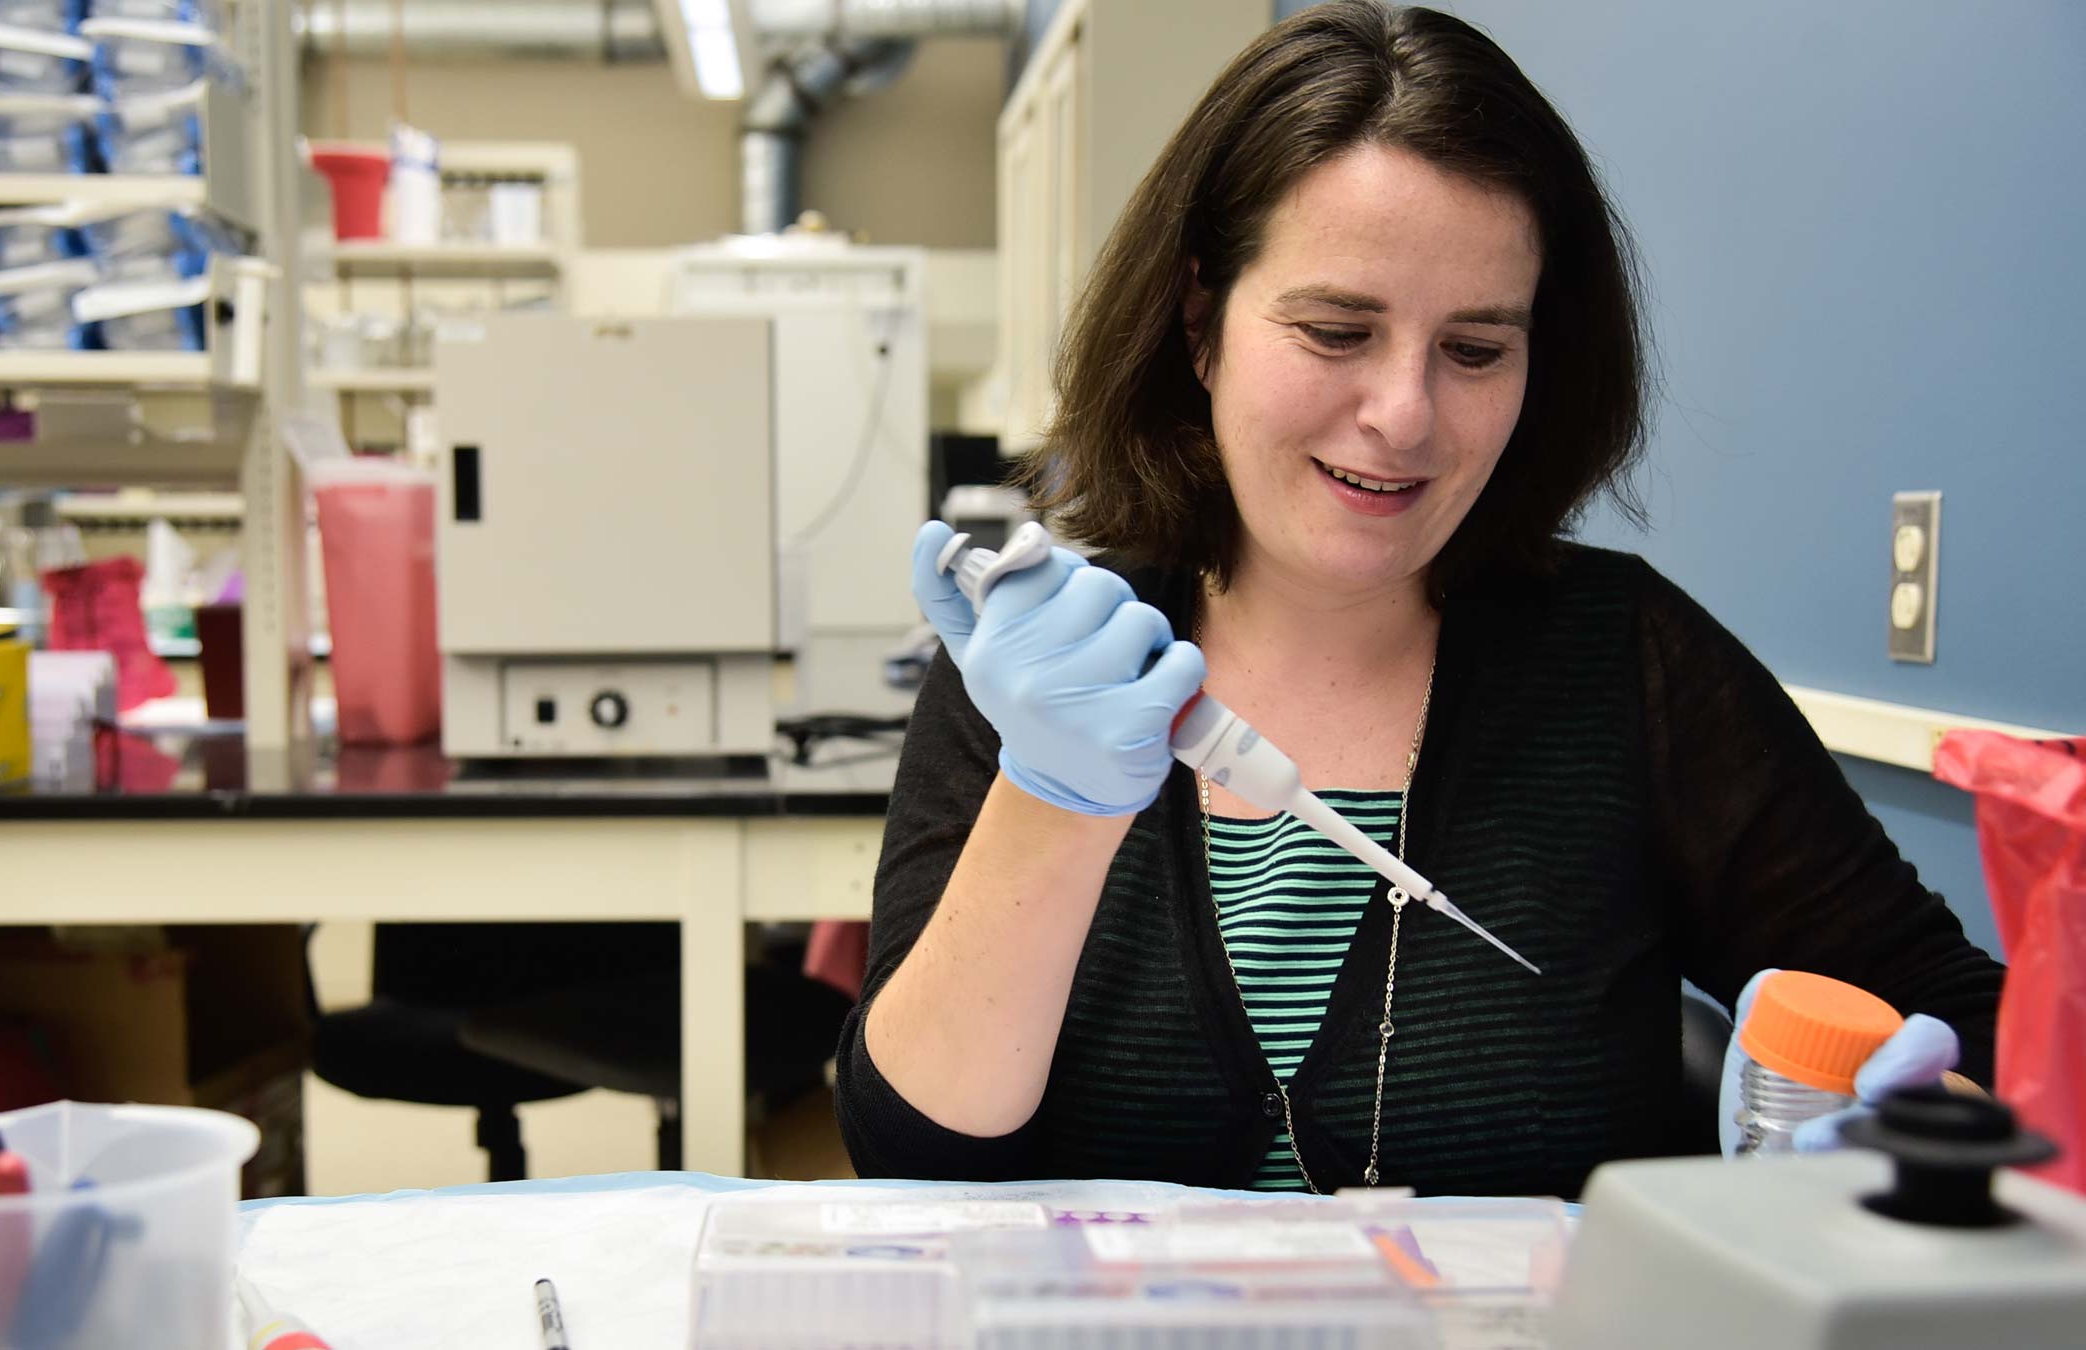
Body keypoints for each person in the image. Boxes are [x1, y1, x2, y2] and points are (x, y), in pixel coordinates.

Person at [836, 0, 2002, 1197]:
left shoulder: (1628, 667)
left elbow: (1978, 1030)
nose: (1406, 416)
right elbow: (913, 1154)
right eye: (1338, 331)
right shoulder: (1052, 673)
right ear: (1201, 324)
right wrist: (1057, 804)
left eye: (1477, 349)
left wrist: (1927, 1119)